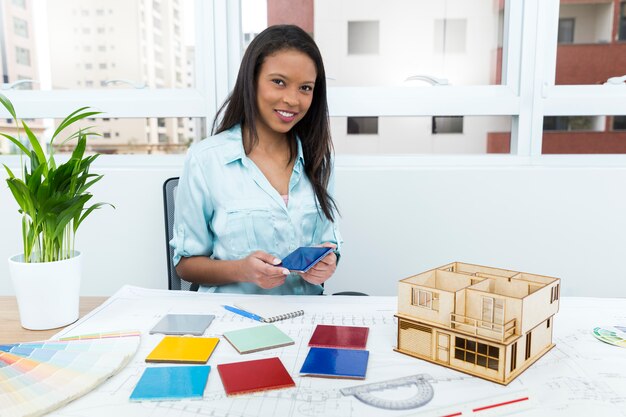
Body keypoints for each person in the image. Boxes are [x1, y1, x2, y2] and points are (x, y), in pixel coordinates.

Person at [170, 24, 342, 295]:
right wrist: (241, 269)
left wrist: (327, 263)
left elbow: (328, 244)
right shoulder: (206, 160)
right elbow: (185, 265)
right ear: (251, 80)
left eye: (305, 88)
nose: (292, 99)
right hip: (234, 317)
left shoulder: (319, 159)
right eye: (279, 82)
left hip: (305, 316)